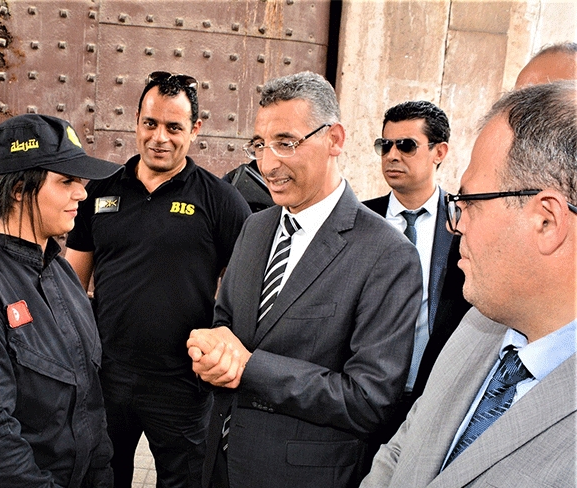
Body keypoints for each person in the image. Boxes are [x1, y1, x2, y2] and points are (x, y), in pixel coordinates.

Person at [186, 71, 422, 488]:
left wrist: (250, 367)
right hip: (218, 464)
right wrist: (212, 347)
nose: (267, 163)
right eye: (260, 144)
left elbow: (368, 400)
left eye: (286, 143)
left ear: (335, 139)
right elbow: (226, 321)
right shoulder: (254, 228)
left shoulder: (388, 254)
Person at [361, 81, 577, 487]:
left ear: (546, 220)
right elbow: (403, 447)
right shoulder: (479, 324)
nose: (454, 224)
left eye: (470, 202)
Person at [66, 71, 251, 488]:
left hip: (183, 385)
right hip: (107, 378)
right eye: (150, 124)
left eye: (174, 127)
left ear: (195, 130)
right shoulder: (99, 192)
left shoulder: (220, 200)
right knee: (100, 479)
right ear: (136, 121)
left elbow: (246, 290)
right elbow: (71, 287)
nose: (159, 138)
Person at [0, 114, 121, 487]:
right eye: (66, 181)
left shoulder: (60, 271)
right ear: (19, 189)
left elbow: (88, 403)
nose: (81, 193)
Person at [362, 101, 471, 439]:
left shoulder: (466, 221)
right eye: (385, 145)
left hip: (434, 395)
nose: (392, 155)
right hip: (360, 395)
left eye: (406, 145)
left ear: (439, 151)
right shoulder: (358, 220)